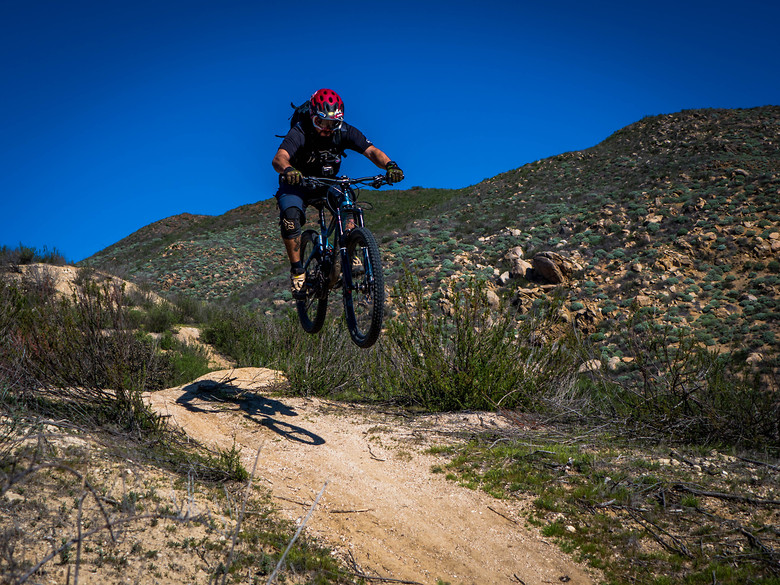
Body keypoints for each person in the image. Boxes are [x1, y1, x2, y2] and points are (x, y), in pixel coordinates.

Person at [272, 88, 404, 294]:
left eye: (332, 124)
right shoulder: (300, 130)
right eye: (321, 123)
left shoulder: (345, 131)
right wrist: (289, 170)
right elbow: (279, 158)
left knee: (348, 202)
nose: (326, 129)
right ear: (312, 116)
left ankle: (350, 251)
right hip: (298, 182)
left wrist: (390, 165)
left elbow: (372, 151)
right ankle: (298, 271)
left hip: (327, 182)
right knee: (290, 217)